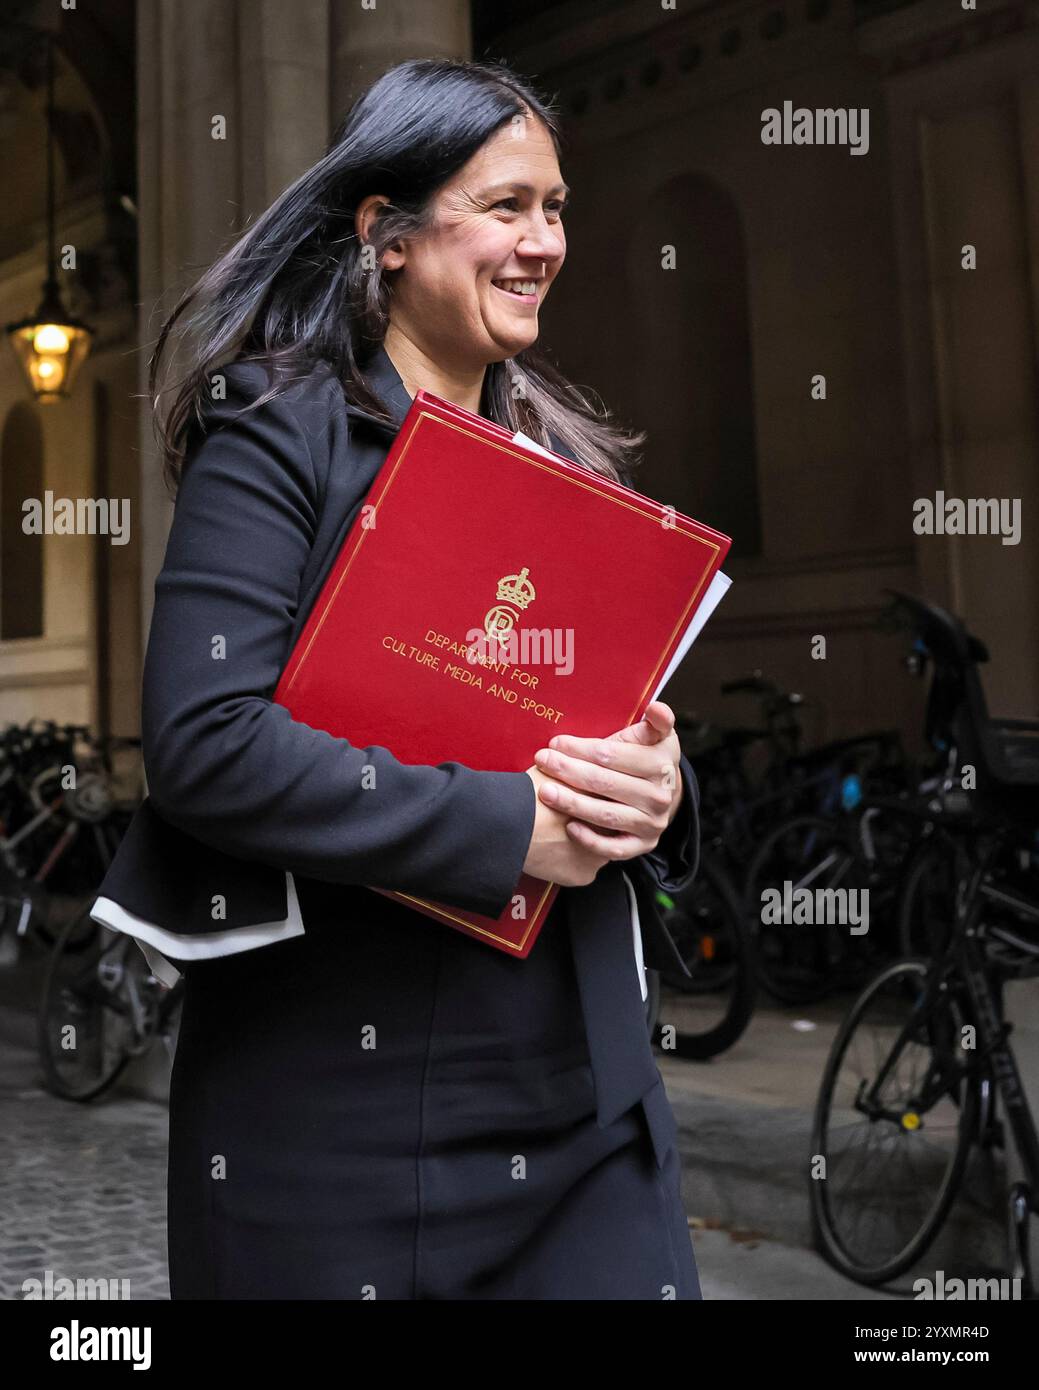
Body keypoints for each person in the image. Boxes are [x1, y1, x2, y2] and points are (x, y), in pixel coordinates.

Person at [91, 58, 703, 1300]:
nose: (545, 242)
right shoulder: (274, 426)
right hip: (340, 1115)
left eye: (558, 208)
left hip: (580, 1105)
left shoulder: (575, 463)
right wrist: (507, 826)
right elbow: (206, 742)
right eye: (507, 206)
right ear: (386, 234)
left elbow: (614, 725)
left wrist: (656, 787)